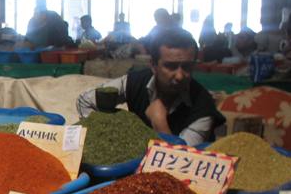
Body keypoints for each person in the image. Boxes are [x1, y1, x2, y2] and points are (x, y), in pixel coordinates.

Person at [77, 28, 225, 145]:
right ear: (153, 66)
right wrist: (107, 133)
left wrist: (159, 122)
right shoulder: (134, 82)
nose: (180, 75)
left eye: (187, 67)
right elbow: (85, 100)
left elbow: (181, 161)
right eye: (170, 66)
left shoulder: (203, 107)